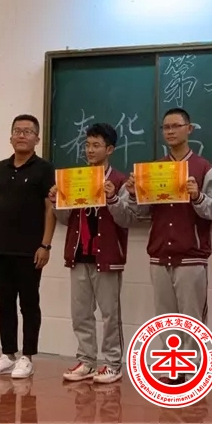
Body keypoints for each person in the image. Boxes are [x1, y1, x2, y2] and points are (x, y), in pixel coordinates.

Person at [122, 107, 212, 385]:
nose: (170, 131)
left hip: (191, 256)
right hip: (159, 254)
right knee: (165, 318)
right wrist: (133, 194)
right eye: (165, 127)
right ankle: (173, 369)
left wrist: (198, 196)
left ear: (189, 129)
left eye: (176, 126)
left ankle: (195, 372)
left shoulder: (203, 168)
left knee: (192, 319)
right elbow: (141, 213)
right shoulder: (154, 170)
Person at [48, 123, 133, 384]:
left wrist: (113, 199)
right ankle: (86, 360)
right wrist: (56, 201)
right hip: (79, 254)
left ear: (110, 149)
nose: (90, 150)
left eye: (96, 145)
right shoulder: (75, 179)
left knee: (110, 314)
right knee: (81, 313)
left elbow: (128, 219)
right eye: (87, 145)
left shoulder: (120, 181)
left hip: (107, 256)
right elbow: (65, 219)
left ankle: (112, 363)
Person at [0, 114, 56, 379]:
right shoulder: (0, 167)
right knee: (4, 304)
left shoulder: (44, 169)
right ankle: (7, 354)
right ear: (10, 137)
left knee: (29, 304)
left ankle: (28, 357)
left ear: (37, 138)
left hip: (30, 250)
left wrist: (45, 245)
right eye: (17, 131)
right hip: (0, 248)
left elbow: (49, 208)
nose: (21, 135)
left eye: (27, 131)